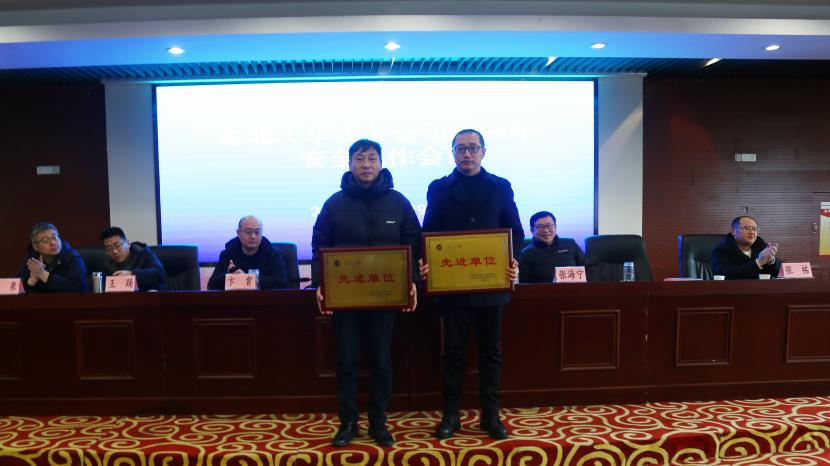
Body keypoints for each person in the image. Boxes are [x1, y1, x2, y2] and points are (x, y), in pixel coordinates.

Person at [311, 139, 421, 448]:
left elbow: (413, 242)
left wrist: (412, 280)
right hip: (345, 298)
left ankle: (377, 422)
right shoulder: (334, 203)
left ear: (381, 163)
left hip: (385, 297)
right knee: (346, 361)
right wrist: (321, 284)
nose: (366, 164)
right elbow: (320, 244)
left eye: (372, 158)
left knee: (381, 361)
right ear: (350, 164)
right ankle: (348, 422)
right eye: (360, 158)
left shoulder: (398, 202)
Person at [421, 129, 523, 440]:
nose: (467, 153)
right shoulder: (439, 188)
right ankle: (451, 415)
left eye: (473, 148)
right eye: (461, 148)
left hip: (491, 287)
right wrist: (427, 262)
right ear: (453, 153)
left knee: (491, 353)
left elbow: (516, 232)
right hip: (452, 288)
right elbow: (428, 233)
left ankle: (490, 415)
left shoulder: (500, 186)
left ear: (483, 152)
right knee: (453, 353)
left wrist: (513, 261)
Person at [207, 215, 288, 290]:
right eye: (248, 232)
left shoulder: (273, 254)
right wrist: (229, 276)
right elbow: (211, 286)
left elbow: (282, 283)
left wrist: (246, 279)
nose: (253, 236)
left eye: (257, 232)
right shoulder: (228, 254)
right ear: (238, 233)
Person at [17, 222, 87, 293]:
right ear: (35, 246)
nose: (53, 243)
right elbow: (15, 288)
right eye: (45, 240)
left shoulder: (73, 257)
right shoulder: (32, 259)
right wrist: (30, 282)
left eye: (55, 237)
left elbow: (78, 289)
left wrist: (43, 274)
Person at [519, 211, 586, 283]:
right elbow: (523, 282)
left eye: (549, 225)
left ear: (555, 227)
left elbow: (587, 266)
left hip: (574, 289)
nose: (545, 230)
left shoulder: (570, 244)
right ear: (532, 230)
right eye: (540, 227)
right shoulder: (525, 254)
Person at [711, 215, 781, 279]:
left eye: (754, 229)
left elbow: (776, 274)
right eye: (747, 228)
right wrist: (758, 263)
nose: (752, 232)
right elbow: (725, 275)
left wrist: (771, 261)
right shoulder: (722, 249)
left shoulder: (760, 245)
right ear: (733, 231)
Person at [100, 226, 167, 291]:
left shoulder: (142, 253)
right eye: (109, 249)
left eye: (117, 246)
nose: (115, 251)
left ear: (128, 243)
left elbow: (160, 274)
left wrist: (132, 274)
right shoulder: (107, 263)